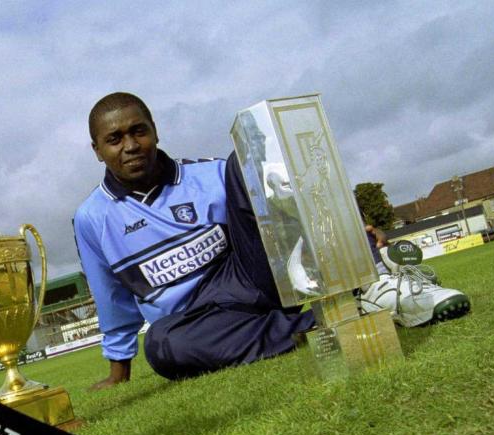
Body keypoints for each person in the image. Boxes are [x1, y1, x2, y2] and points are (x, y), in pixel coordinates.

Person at [73, 92, 470, 389]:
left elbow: (288, 209)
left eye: (138, 131)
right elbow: (112, 299)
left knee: (246, 158)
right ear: (97, 151)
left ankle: (379, 284)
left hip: (250, 277)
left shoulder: (209, 175)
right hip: (195, 321)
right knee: (161, 347)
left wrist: (351, 229)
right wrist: (118, 373)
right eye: (115, 138)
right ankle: (331, 320)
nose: (129, 145)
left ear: (155, 131)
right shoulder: (92, 218)